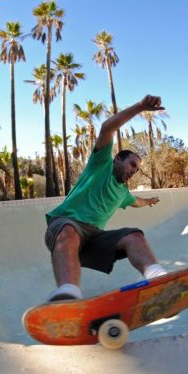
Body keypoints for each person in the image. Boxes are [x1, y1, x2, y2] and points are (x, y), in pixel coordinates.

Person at [44, 95, 168, 301]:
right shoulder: (101, 164)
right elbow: (107, 128)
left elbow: (136, 202)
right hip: (63, 228)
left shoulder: (122, 194)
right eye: (132, 165)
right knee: (69, 230)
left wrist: (148, 202)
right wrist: (139, 107)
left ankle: (159, 279)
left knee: (134, 235)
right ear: (118, 159)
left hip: (93, 240)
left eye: (137, 170)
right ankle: (68, 293)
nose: (133, 171)